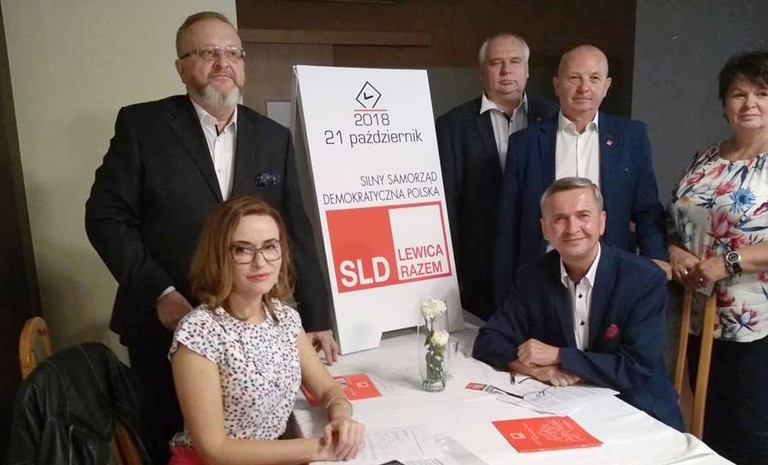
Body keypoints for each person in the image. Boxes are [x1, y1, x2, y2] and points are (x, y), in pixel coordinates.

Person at [84, 11, 337, 453]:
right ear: (181, 68)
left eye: (232, 53)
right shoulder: (143, 127)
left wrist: (316, 317)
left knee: (257, 436)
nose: (223, 63)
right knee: (172, 444)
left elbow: (295, 229)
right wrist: (160, 292)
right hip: (164, 325)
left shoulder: (273, 137)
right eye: (207, 53)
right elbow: (105, 217)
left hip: (248, 329)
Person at [474, 177, 683, 431]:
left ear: (602, 222)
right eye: (559, 219)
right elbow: (489, 340)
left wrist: (559, 356)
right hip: (568, 410)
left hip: (639, 412)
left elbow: (634, 368)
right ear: (545, 229)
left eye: (583, 216)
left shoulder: (643, 279)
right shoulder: (533, 277)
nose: (572, 228)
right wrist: (536, 371)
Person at [168, 196, 364, 465]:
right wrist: (320, 448)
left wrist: (341, 417)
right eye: (242, 250)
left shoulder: (284, 318)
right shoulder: (198, 331)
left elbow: (328, 389)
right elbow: (214, 450)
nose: (260, 262)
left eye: (270, 246)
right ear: (218, 256)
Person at [494, 45, 668, 307]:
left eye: (594, 78)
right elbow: (508, 222)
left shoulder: (631, 137)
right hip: (541, 278)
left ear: (607, 86)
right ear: (557, 84)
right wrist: (504, 293)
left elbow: (647, 208)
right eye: (574, 78)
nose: (584, 88)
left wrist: (656, 260)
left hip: (611, 278)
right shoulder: (525, 143)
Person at [668, 50, 768, 465]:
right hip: (699, 316)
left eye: (762, 93)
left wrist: (726, 262)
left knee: (752, 435)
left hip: (755, 324)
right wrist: (674, 249)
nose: (749, 104)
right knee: (708, 428)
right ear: (724, 103)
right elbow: (677, 219)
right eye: (738, 94)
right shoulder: (706, 157)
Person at [436, 33, 558, 320]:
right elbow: (448, 206)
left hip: (545, 262)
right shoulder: (451, 127)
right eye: (496, 63)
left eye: (515, 62)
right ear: (482, 72)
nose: (506, 71)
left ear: (527, 70)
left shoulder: (554, 117)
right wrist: (452, 271)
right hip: (481, 269)